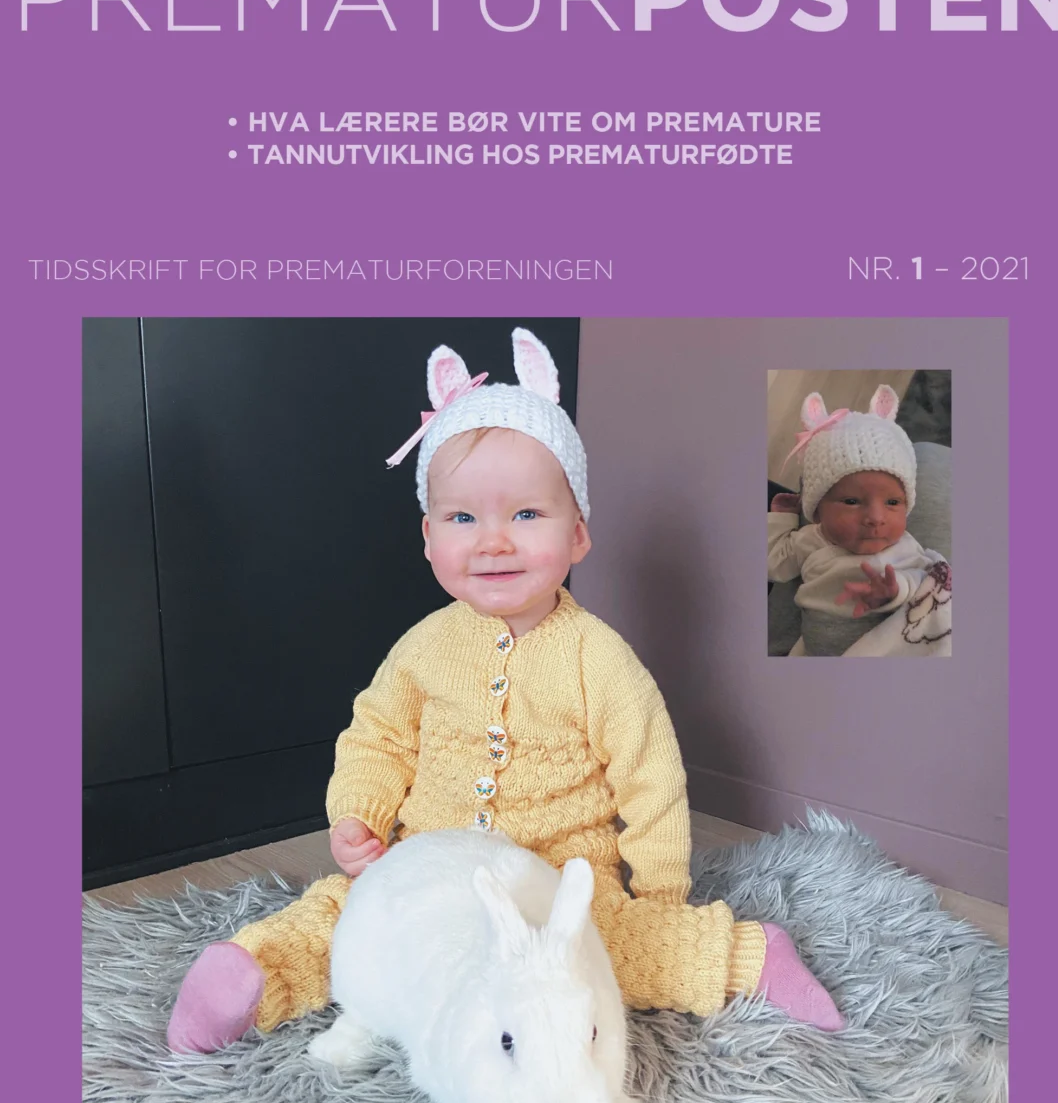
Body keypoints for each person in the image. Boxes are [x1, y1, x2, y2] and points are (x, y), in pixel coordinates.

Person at [168, 329, 845, 1053]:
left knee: (607, 951)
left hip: (556, 884)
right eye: (463, 518)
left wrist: (659, 899)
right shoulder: (424, 648)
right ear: (429, 538)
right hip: (430, 868)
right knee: (350, 916)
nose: (493, 541)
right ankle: (251, 976)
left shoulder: (598, 659)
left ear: (577, 534)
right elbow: (377, 737)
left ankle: (746, 956)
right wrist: (359, 814)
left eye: (526, 515)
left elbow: (651, 778)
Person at [768, 386, 952, 657]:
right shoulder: (811, 539)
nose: (876, 518)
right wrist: (782, 517)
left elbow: (924, 583)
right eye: (852, 501)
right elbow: (774, 564)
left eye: (893, 503)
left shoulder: (904, 546)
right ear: (816, 511)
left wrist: (894, 591)